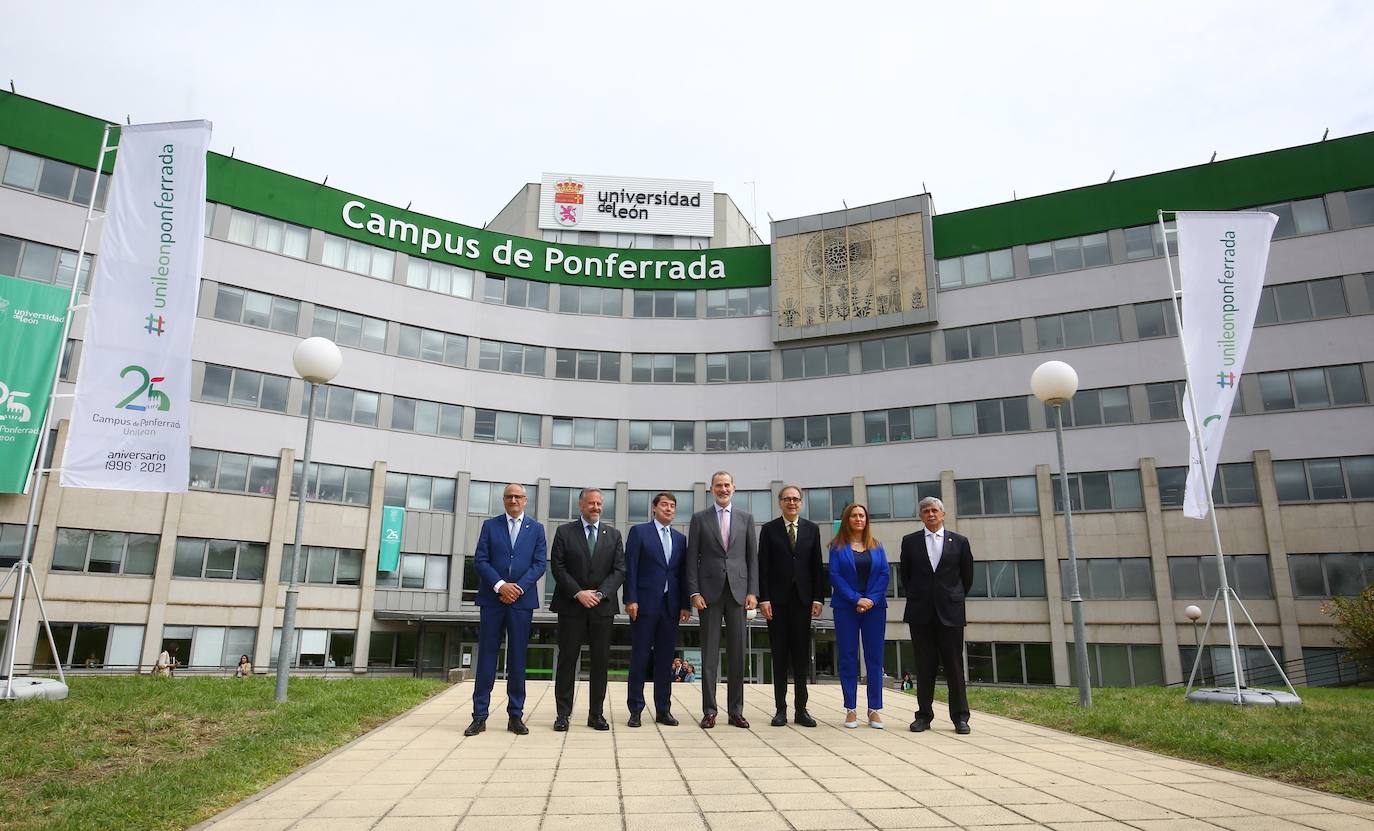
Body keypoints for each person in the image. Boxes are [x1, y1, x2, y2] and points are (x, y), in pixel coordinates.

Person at [465, 483, 547, 737]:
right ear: (504, 500)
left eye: (518, 496)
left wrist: (518, 588)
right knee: (487, 657)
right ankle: (479, 716)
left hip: (521, 603)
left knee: (518, 659)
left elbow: (539, 564)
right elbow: (480, 560)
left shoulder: (537, 529)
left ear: (525, 500)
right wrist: (500, 586)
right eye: (509, 496)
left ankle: (515, 715)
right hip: (493, 600)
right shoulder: (490, 526)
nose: (513, 500)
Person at [685, 470, 758, 729]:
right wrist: (694, 592)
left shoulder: (746, 519)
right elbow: (691, 558)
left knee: (738, 654)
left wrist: (752, 592)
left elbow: (752, 558)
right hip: (709, 594)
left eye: (727, 485)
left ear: (734, 488)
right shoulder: (699, 519)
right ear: (711, 489)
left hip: (738, 593)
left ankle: (736, 711)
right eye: (718, 485)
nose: (723, 489)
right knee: (710, 655)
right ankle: (709, 710)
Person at [550, 488, 626, 732]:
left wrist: (601, 593)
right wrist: (578, 592)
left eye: (599, 504)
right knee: (567, 661)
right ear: (581, 505)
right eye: (591, 503)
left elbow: (619, 570)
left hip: (602, 608)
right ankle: (563, 715)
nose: (596, 507)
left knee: (600, 662)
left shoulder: (613, 535)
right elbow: (558, 567)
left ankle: (596, 714)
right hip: (572, 605)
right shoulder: (564, 532)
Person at [900, 496, 975, 735]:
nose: (930, 514)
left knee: (954, 666)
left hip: (950, 613)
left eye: (934, 510)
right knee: (924, 666)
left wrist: (951, 597)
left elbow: (967, 577)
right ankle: (923, 715)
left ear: (942, 514)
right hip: (920, 612)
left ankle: (960, 717)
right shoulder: (910, 542)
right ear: (920, 516)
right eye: (925, 511)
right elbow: (906, 576)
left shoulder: (960, 542)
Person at [757, 485, 825, 727]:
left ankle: (801, 709)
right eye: (787, 499)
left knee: (800, 657)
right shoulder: (768, 530)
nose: (792, 503)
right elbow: (762, 567)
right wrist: (763, 598)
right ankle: (780, 709)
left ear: (801, 503)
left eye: (796, 499)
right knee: (779, 656)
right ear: (780, 503)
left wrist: (818, 598)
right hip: (776, 603)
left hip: (803, 601)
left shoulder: (811, 529)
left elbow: (817, 566)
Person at [623, 491, 690, 727]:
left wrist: (685, 604)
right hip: (643, 604)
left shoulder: (680, 539)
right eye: (664, 505)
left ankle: (663, 710)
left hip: (670, 607)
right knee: (640, 657)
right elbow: (629, 567)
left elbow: (683, 574)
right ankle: (636, 710)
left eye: (672, 505)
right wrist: (630, 599)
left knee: (665, 660)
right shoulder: (639, 532)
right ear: (654, 508)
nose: (669, 509)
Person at [828, 503, 889, 729]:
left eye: (862, 515)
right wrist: (856, 599)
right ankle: (850, 709)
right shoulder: (837, 547)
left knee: (874, 658)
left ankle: (874, 709)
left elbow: (884, 574)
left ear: (867, 519)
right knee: (848, 657)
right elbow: (835, 576)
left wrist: (870, 599)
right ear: (847, 520)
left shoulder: (877, 546)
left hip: (875, 609)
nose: (858, 519)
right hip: (846, 608)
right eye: (853, 516)